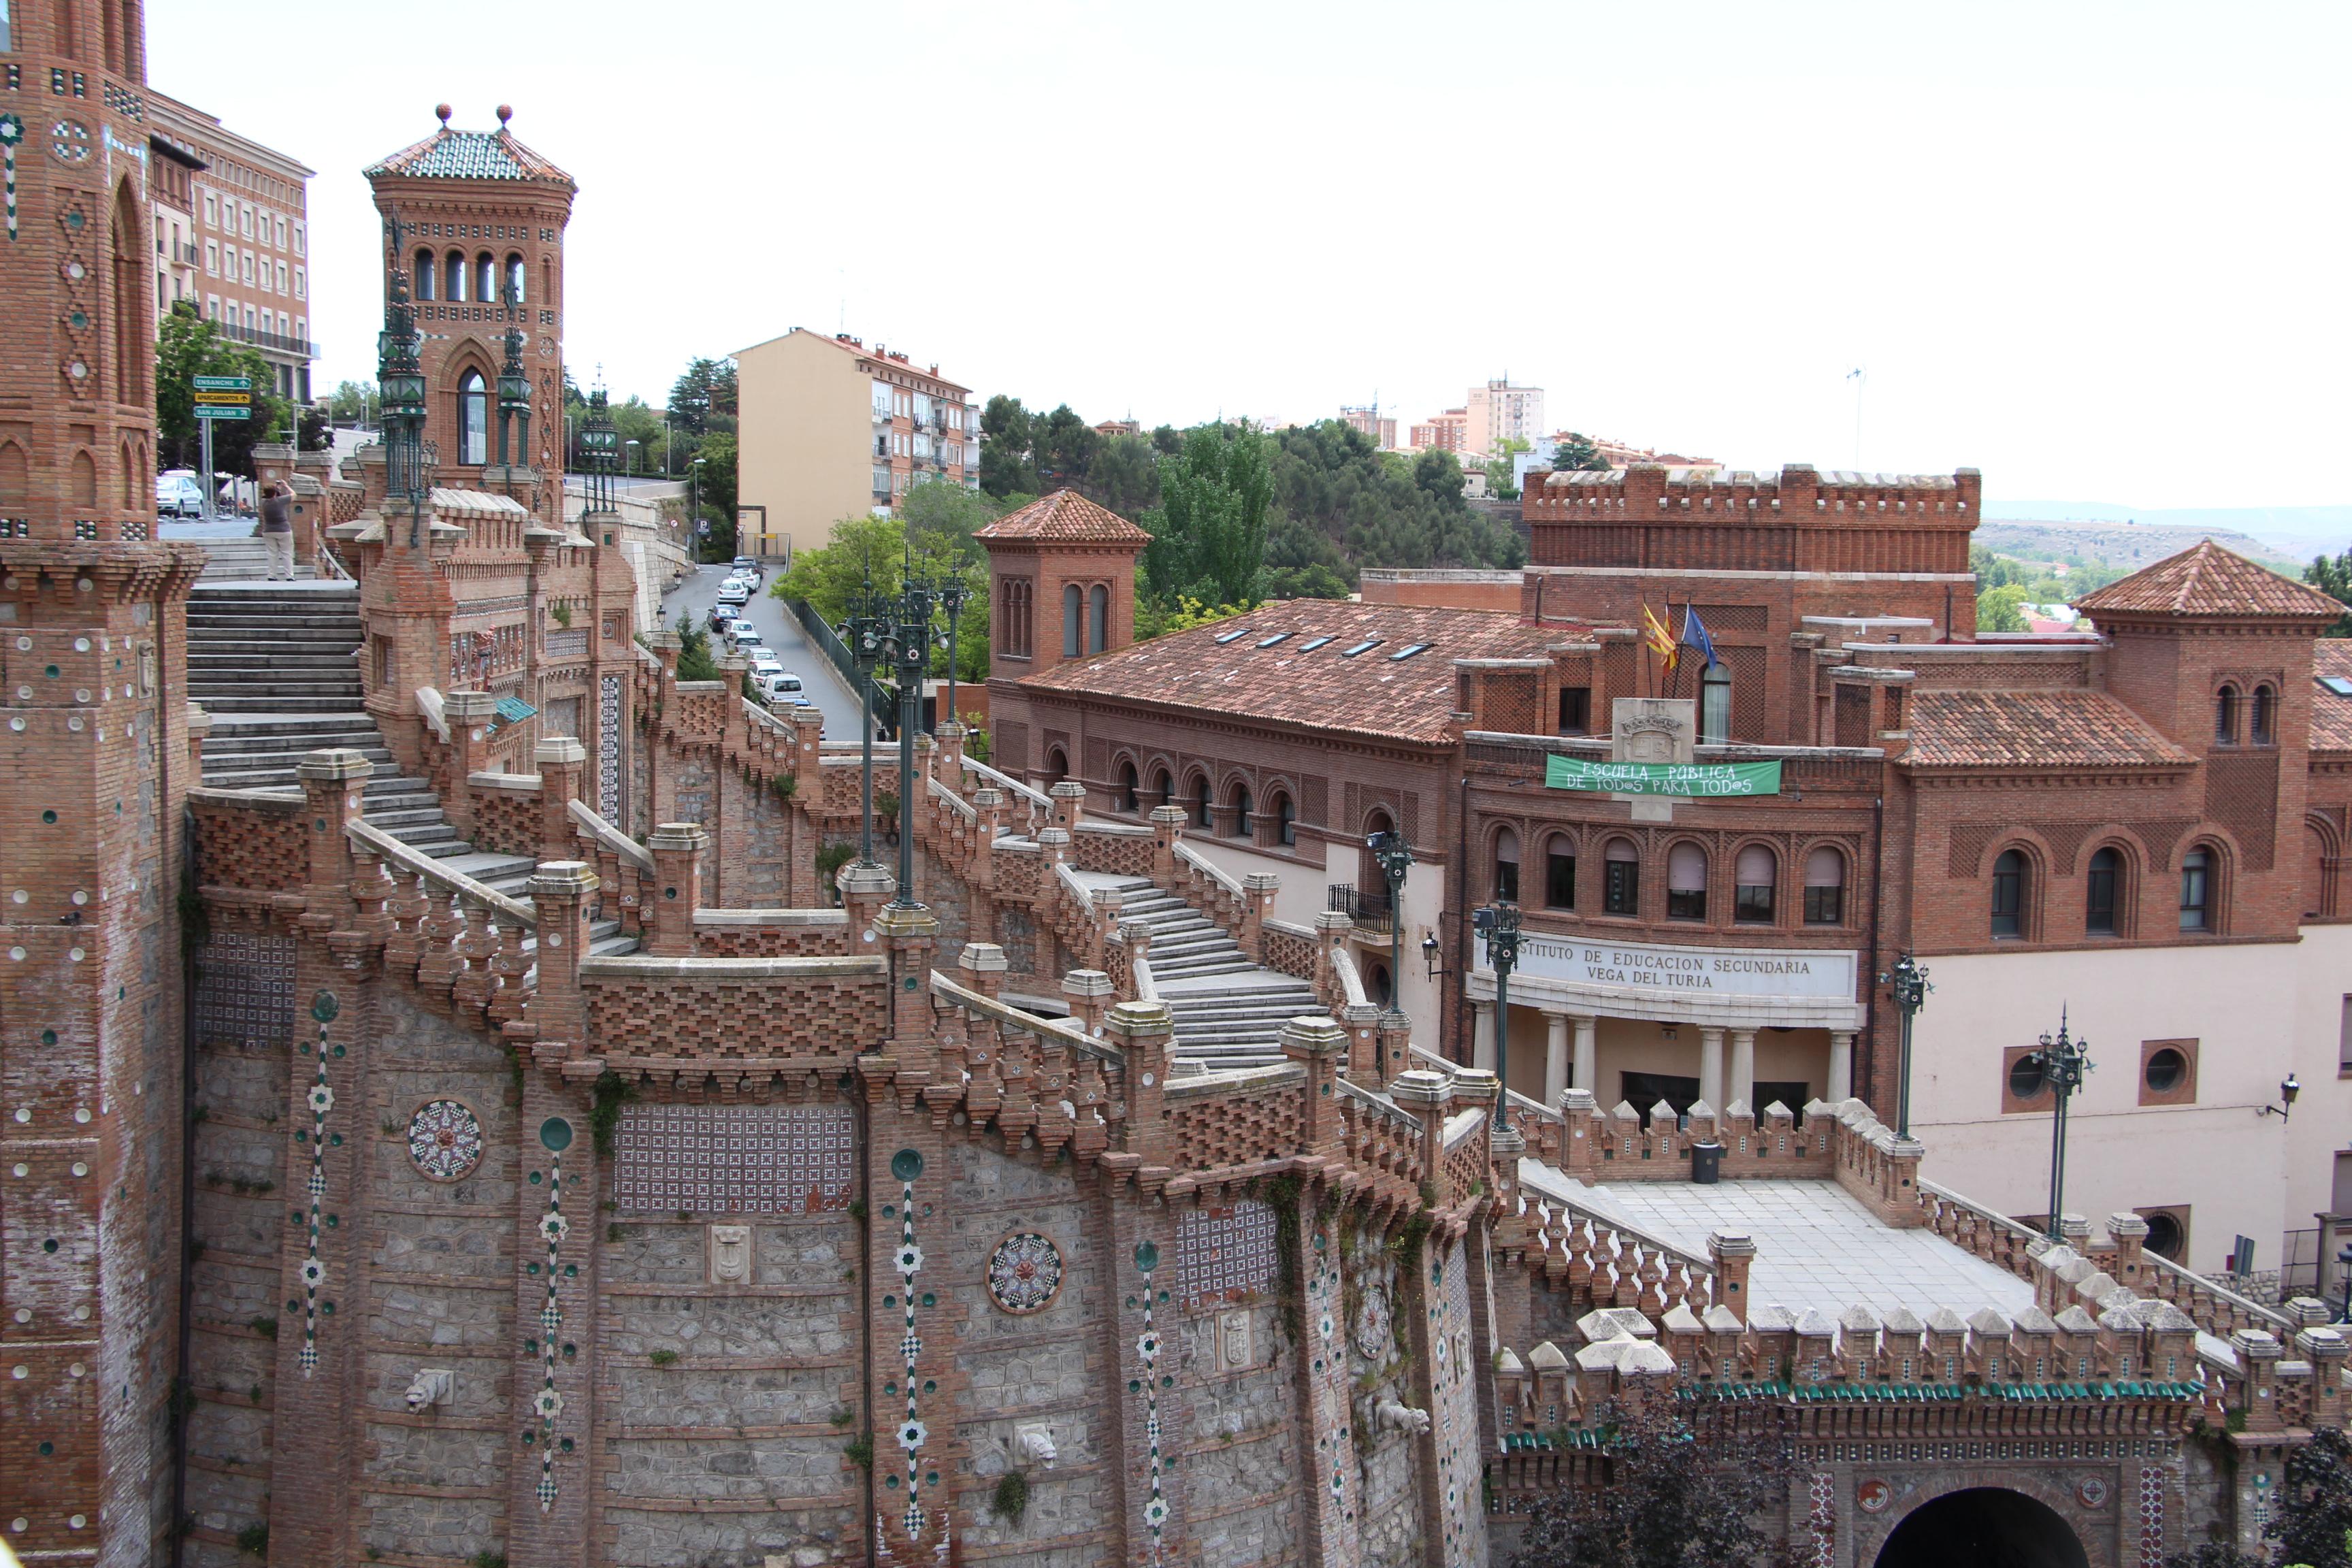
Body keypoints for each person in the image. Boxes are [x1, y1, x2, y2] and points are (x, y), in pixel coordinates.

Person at [258, 480, 295, 581]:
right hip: (284, 530)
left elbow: (268, 495)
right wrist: (286, 486)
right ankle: (289, 576)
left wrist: (275, 488)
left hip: (268, 531)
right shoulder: (281, 501)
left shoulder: (263, 503)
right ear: (275, 493)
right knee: (286, 553)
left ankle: (271, 575)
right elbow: (294, 495)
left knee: (272, 554)